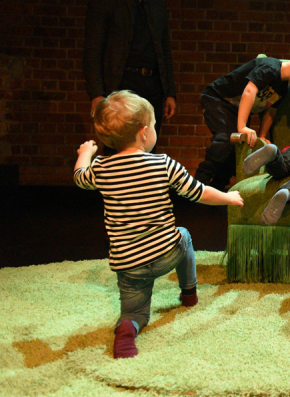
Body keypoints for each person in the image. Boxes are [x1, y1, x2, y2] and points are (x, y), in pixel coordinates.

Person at [73, 90, 244, 358]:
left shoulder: (102, 168)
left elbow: (79, 177)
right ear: (144, 133)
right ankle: (189, 292)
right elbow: (198, 192)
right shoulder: (163, 164)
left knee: (135, 312)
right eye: (153, 126)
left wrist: (86, 152)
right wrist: (228, 198)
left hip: (129, 265)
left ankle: (127, 328)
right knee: (183, 234)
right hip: (166, 253)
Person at [84, 0, 176, 152]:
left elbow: (165, 52)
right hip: (120, 85)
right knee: (116, 147)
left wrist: (170, 92)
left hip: (152, 86)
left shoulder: (157, 6)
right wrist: (96, 93)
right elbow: (93, 51)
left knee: (148, 147)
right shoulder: (105, 2)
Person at [195, 48, 290, 190]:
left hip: (234, 110)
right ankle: (196, 185)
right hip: (217, 99)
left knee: (237, 150)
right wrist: (242, 127)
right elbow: (249, 91)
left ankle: (216, 189)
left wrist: (263, 136)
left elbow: (271, 110)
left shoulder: (283, 88)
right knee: (225, 140)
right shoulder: (270, 68)